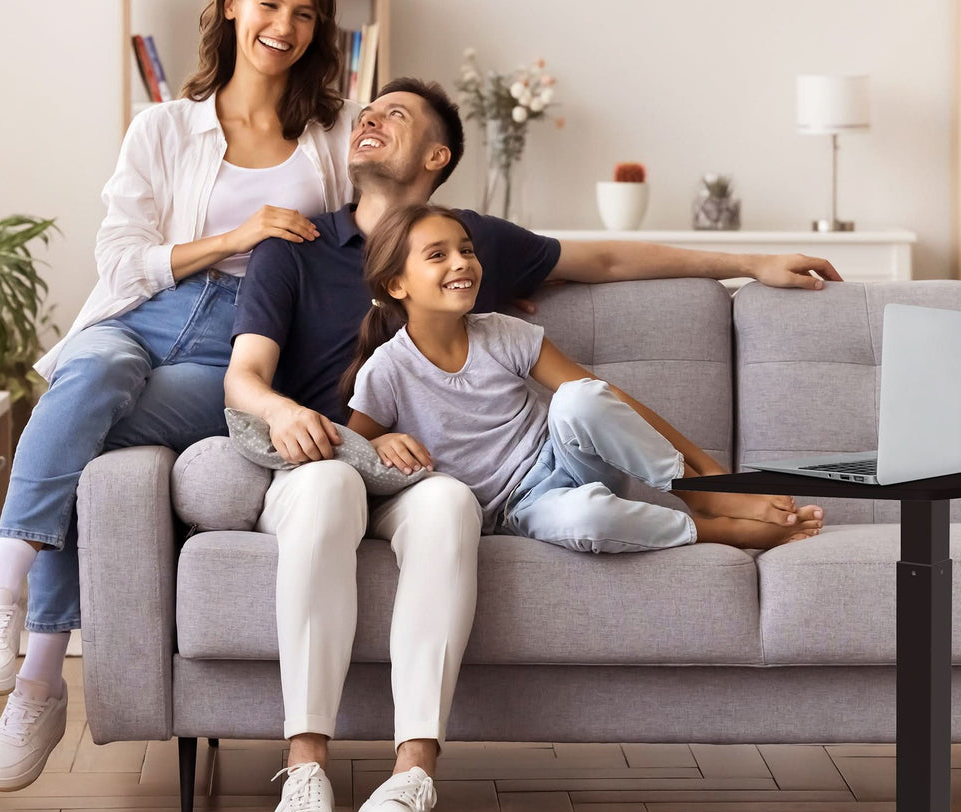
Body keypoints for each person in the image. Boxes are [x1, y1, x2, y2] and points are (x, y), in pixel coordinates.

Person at [225, 77, 836, 812]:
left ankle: (414, 773)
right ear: (393, 282)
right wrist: (295, 418)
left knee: (449, 505)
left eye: (396, 114)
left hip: (433, 479)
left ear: (436, 157)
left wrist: (750, 263)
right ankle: (306, 768)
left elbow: (609, 258)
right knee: (332, 489)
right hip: (328, 456)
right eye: (366, 111)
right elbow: (243, 381)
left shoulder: (472, 251)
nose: (369, 117)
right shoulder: (296, 248)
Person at [0, 0, 361, 793]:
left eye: (303, 12)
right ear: (229, 5)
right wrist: (236, 236)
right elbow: (119, 259)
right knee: (91, 381)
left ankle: (37, 683)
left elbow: (371, 235)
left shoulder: (327, 140)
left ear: (318, 29)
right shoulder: (167, 126)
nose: (282, 25)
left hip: (238, 343)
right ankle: (2, 591)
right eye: (267, 3)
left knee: (90, 445)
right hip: (141, 313)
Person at [341, 204, 823, 556]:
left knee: (578, 397)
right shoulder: (387, 370)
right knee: (588, 518)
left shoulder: (503, 333)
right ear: (396, 284)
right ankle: (722, 531)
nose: (462, 262)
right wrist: (382, 442)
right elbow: (355, 455)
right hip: (521, 510)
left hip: (571, 458)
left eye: (466, 250)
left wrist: (714, 476)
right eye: (438, 255)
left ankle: (704, 496)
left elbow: (605, 403)